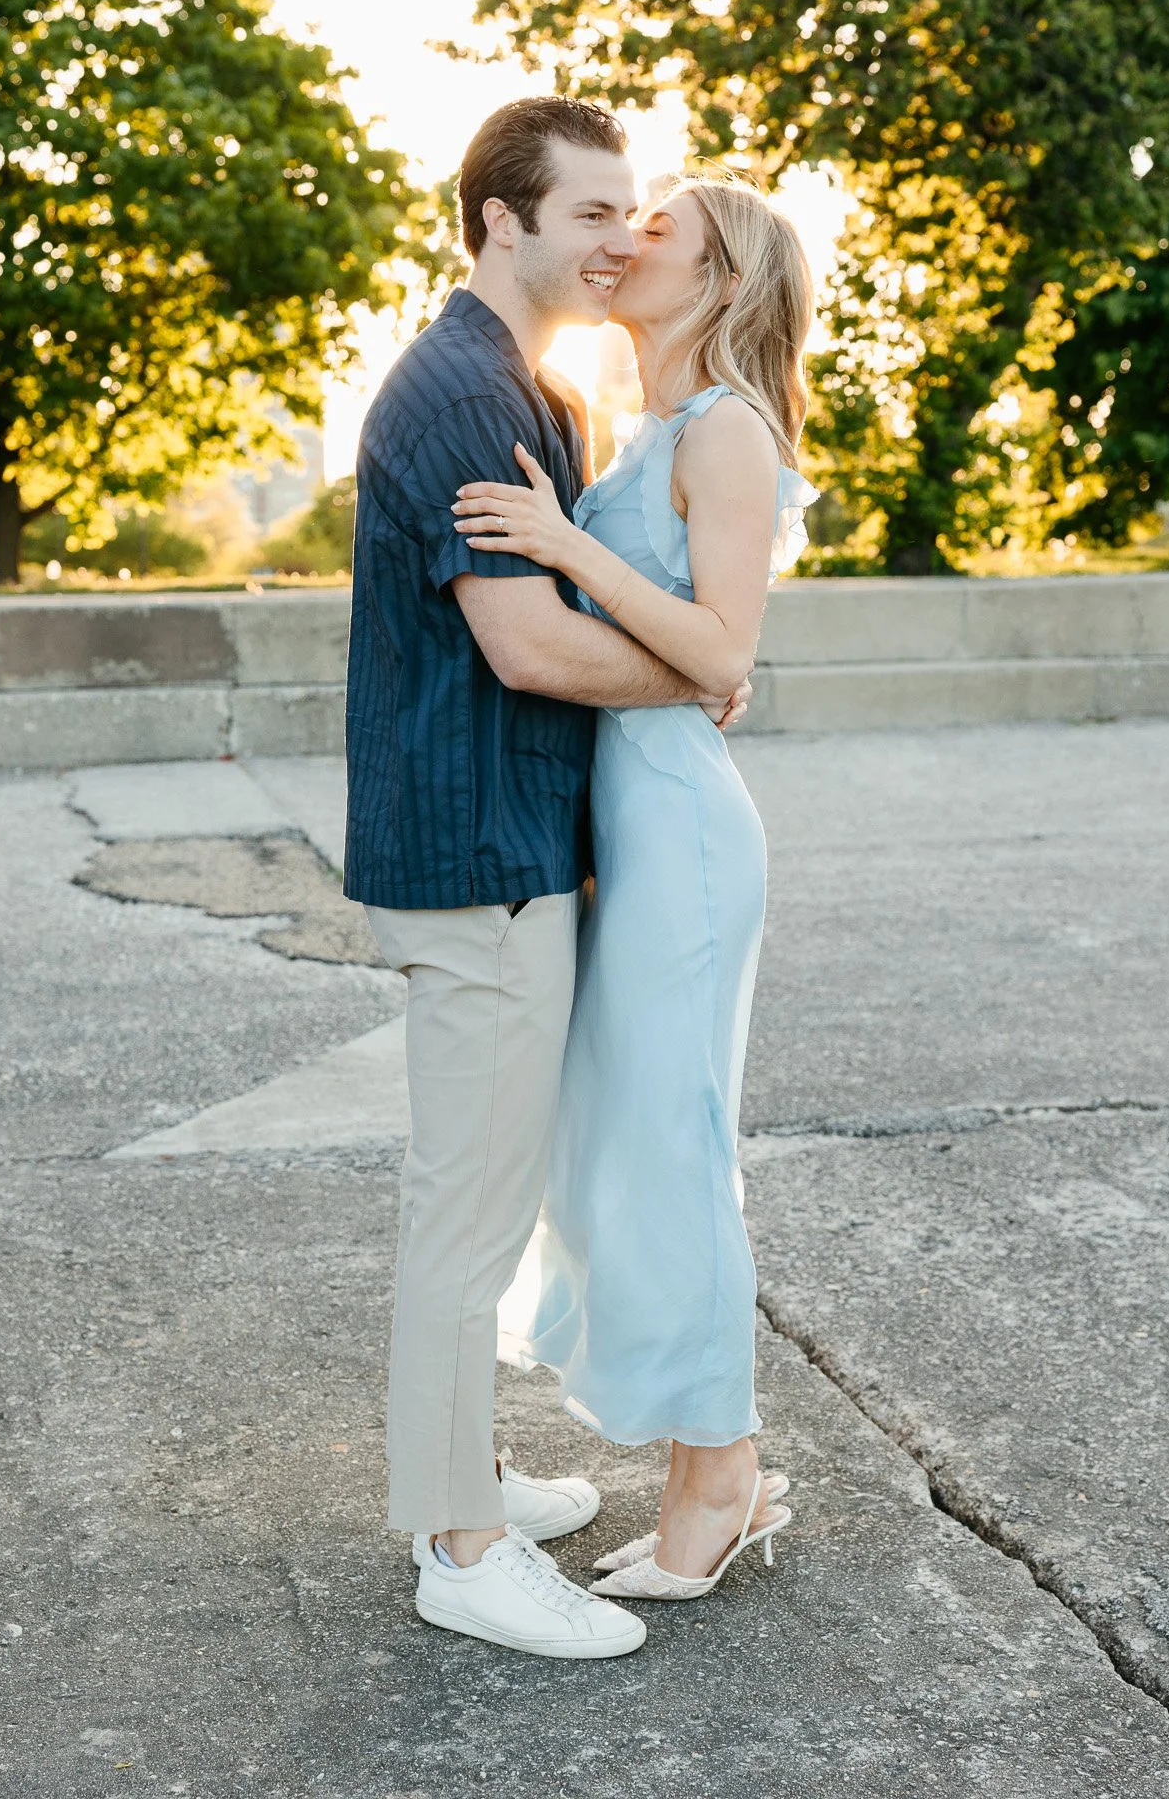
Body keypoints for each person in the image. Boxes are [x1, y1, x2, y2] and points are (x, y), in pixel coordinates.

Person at [343, 98, 749, 1660]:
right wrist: (702, 671)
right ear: (501, 219)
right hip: (477, 858)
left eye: (629, 215)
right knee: (466, 1217)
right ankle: (459, 1551)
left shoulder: (519, 384)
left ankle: (470, 1482)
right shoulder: (463, 392)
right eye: (589, 214)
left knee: (491, 1202)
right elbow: (523, 646)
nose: (616, 241)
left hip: (505, 846)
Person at [454, 169, 818, 1601]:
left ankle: (719, 1477)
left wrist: (558, 542)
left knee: (674, 1150)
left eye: (658, 228)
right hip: (631, 824)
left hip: (682, 832)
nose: (624, 240)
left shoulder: (726, 430)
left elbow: (726, 654)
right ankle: (703, 1459)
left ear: (720, 277)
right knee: (624, 1147)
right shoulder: (649, 427)